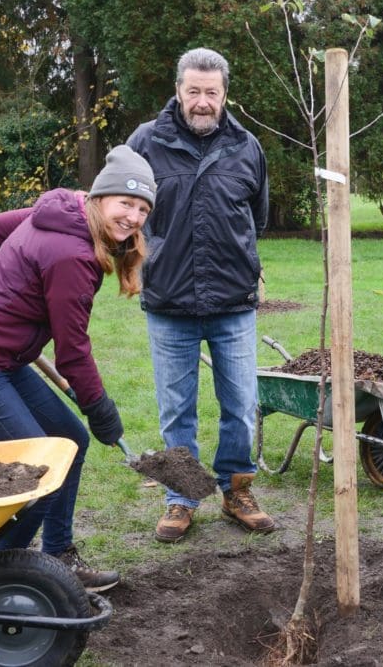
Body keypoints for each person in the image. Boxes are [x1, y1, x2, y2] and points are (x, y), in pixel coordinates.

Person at [0, 145, 158, 592]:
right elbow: (73, 352)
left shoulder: (61, 211)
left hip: (1, 358)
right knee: (39, 472)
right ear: (99, 198)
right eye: (125, 203)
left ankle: (57, 554)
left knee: (69, 441)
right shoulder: (73, 255)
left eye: (143, 209)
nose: (133, 217)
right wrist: (100, 408)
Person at [126, 47, 273, 544]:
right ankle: (182, 497)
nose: (203, 101)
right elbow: (121, 211)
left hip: (233, 301)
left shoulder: (247, 146)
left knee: (241, 404)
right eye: (194, 91)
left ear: (225, 93)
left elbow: (257, 217)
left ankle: (236, 490)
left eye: (212, 92)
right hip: (169, 301)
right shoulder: (146, 142)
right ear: (178, 91)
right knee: (176, 410)